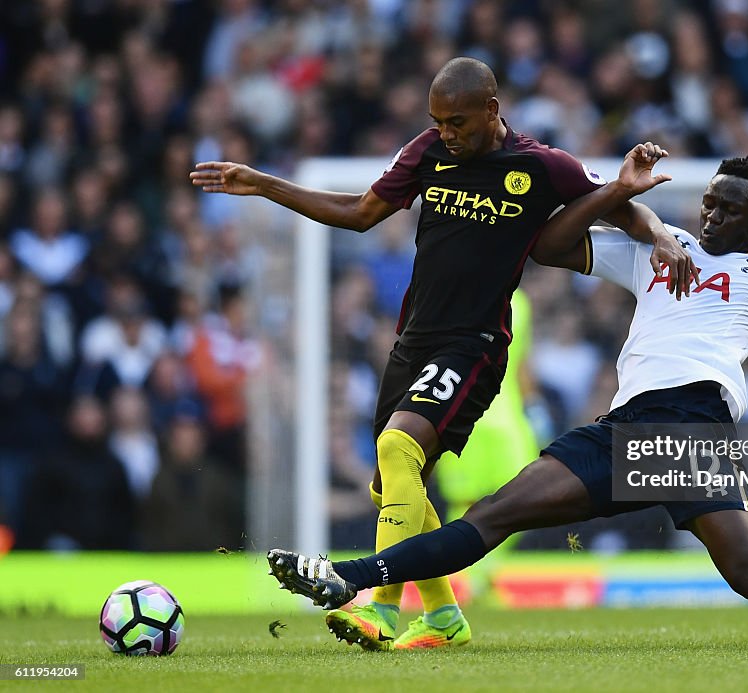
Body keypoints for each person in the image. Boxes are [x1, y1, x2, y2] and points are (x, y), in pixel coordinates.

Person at [268, 155, 748, 645]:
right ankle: (345, 576)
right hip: (621, 429)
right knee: (496, 510)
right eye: (708, 202)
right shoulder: (660, 251)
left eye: (730, 208)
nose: (712, 215)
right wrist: (621, 194)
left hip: (691, 430)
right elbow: (553, 244)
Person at [192, 57, 695, 651]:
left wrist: (660, 233)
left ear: (492, 110)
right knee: (393, 484)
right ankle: (444, 616)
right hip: (415, 340)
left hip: (475, 342)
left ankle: (379, 610)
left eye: (456, 122)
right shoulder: (428, 151)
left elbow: (623, 205)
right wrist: (265, 184)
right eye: (437, 122)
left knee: (398, 447)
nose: (446, 134)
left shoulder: (541, 166)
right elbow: (360, 214)